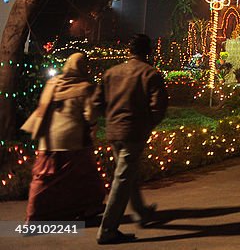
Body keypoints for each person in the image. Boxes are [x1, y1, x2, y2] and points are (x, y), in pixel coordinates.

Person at [94, 34, 168, 245]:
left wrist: (110, 118)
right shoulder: (150, 74)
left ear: (129, 50)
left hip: (113, 131)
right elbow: (158, 107)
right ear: (148, 52)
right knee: (122, 179)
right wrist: (146, 124)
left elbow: (97, 102)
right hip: (133, 132)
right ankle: (107, 230)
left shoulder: (111, 73)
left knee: (127, 173)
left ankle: (141, 213)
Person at [21, 52, 105, 223]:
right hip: (74, 141)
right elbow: (90, 116)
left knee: (43, 179)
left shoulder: (52, 83)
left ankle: (34, 214)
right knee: (85, 177)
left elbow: (42, 108)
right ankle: (88, 208)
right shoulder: (85, 87)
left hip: (48, 140)